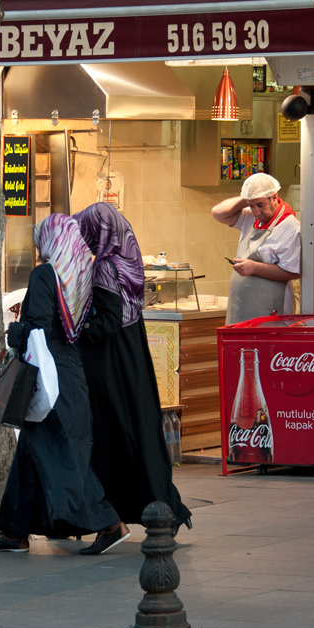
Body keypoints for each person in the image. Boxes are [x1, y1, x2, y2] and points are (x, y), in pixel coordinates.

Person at [0, 214, 129, 555]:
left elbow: (38, 329)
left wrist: (12, 331)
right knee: (32, 453)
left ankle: (109, 523)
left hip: (48, 380)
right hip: (71, 377)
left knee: (61, 457)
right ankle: (13, 529)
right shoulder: (81, 274)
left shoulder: (45, 274)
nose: (38, 248)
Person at [73, 202, 192, 534]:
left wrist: (77, 333)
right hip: (133, 357)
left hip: (112, 363)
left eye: (87, 231)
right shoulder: (129, 259)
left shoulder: (104, 268)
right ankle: (161, 509)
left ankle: (114, 517)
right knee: (139, 433)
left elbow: (107, 321)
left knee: (113, 438)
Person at [211, 173, 301, 324]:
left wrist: (255, 268)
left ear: (274, 197)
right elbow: (218, 213)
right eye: (251, 206)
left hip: (271, 310)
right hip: (241, 308)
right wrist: (248, 197)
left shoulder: (290, 227)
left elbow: (292, 272)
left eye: (261, 205)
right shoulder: (251, 218)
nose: (256, 212)